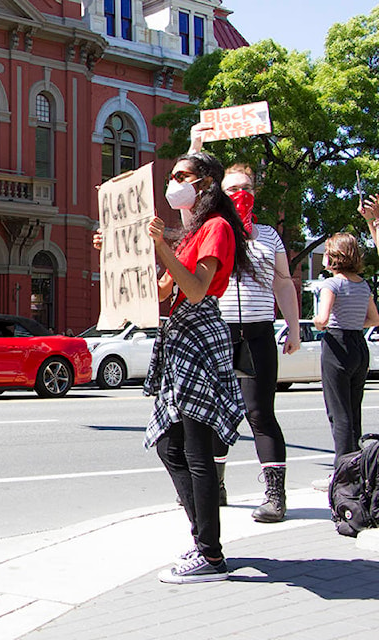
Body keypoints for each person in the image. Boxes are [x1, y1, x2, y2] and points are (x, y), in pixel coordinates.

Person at [95, 151, 250, 584]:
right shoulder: (192, 232)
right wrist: (116, 252)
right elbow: (162, 292)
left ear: (205, 183)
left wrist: (161, 244)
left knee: (196, 450)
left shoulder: (216, 229)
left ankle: (210, 555)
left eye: (182, 176)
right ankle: (203, 540)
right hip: (181, 339)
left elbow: (196, 289)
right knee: (170, 445)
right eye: (172, 175)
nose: (173, 183)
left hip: (199, 336)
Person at [188, 125, 302, 523]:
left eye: (247, 187)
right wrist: (196, 147)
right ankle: (215, 485)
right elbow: (185, 194)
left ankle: (275, 495)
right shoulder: (211, 228)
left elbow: (283, 283)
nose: (241, 193)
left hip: (256, 333)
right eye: (232, 186)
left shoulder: (268, 236)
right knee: (218, 411)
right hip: (219, 332)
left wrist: (294, 327)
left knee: (260, 413)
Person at [311, 233, 379, 489]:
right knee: (353, 410)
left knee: (338, 414)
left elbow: (322, 319)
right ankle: (359, 470)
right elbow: (375, 319)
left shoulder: (332, 285)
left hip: (337, 346)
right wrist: (353, 322)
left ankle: (342, 475)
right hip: (359, 347)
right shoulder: (363, 285)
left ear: (334, 256)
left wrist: (319, 320)